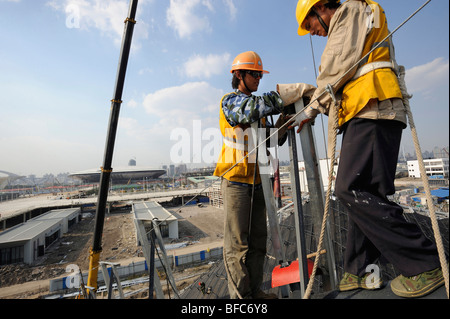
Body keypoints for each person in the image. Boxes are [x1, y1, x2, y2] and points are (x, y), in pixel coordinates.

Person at [292, 0, 445, 298]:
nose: (314, 33)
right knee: (365, 192)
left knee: (350, 188)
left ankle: (425, 263)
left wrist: (309, 108)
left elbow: (335, 66)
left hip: (371, 107)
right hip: (371, 107)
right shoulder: (361, 12)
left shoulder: (349, 10)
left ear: (322, 8)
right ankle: (358, 270)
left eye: (311, 26)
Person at [213, 51, 289, 299]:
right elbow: (244, 113)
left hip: (259, 182)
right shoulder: (231, 102)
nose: (258, 78)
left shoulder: (260, 109)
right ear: (238, 75)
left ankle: (254, 292)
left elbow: (271, 141)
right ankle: (240, 298)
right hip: (236, 182)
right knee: (236, 246)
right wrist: (283, 97)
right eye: (254, 74)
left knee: (258, 242)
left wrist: (283, 124)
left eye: (259, 74)